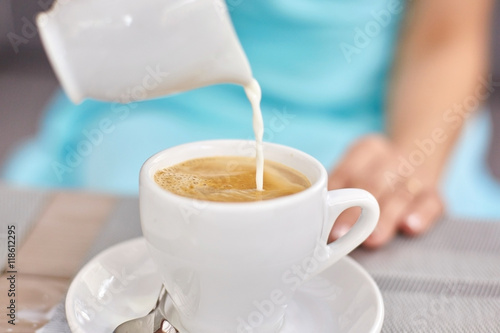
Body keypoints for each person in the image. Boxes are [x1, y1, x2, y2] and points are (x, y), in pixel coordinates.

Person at [3, 0, 499, 248]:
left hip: (376, 122)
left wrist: (409, 160)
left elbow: (447, 35)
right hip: (174, 96)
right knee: (133, 218)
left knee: (417, 235)